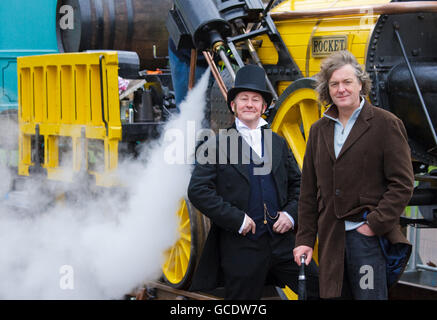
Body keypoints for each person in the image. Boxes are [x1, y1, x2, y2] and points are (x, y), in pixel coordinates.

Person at [188, 64, 319, 300]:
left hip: (282, 244)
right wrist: (237, 219)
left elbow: (299, 185)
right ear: (233, 106)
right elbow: (198, 190)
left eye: (256, 99)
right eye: (244, 99)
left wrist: (290, 215)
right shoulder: (215, 145)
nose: (249, 104)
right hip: (242, 246)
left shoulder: (277, 142)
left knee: (322, 289)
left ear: (264, 107)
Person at [293, 50, 414, 300]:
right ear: (328, 89)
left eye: (347, 82)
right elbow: (308, 191)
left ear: (360, 83)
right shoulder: (318, 130)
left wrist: (374, 224)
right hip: (331, 239)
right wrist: (304, 239)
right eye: (334, 84)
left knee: (369, 295)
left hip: (366, 240)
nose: (341, 89)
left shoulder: (386, 124)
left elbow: (402, 184)